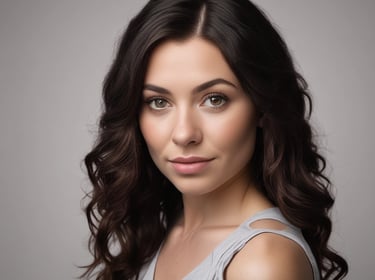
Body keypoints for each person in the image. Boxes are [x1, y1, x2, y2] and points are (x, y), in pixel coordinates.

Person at [82, 0, 348, 279]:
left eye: (214, 99)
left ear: (261, 106)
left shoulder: (264, 262)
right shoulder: (165, 232)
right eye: (159, 102)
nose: (184, 134)